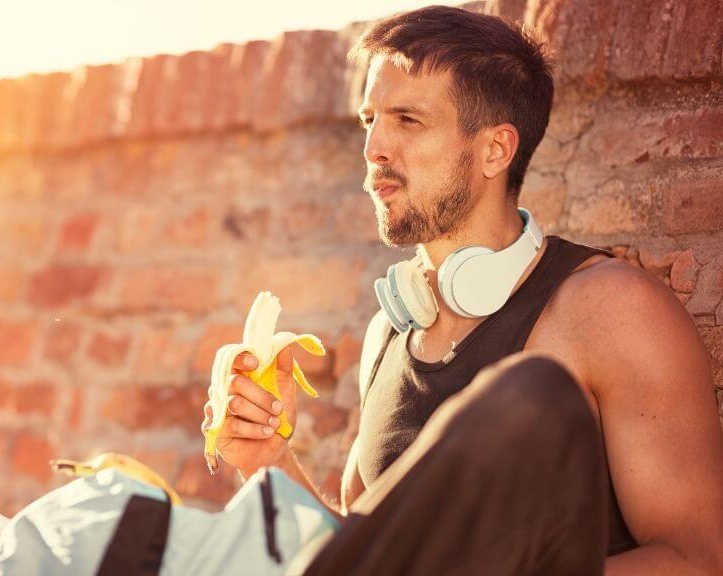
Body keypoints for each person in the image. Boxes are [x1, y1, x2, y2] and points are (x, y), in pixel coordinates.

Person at [200, 5, 723, 575]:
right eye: (368, 119)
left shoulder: (613, 311)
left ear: (496, 150)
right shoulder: (389, 333)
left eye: (408, 120)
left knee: (530, 393)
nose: (374, 147)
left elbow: (698, 560)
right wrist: (269, 462)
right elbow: (374, 553)